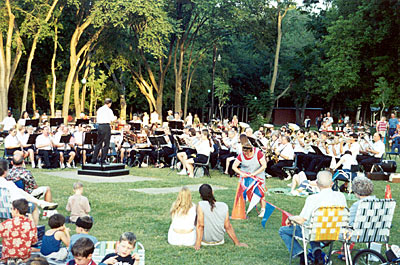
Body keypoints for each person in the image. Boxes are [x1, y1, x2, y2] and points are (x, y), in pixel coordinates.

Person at [278, 171, 347, 265]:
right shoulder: (341, 196)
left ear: (317, 183)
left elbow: (302, 220)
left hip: (315, 232)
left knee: (284, 230)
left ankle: (303, 256)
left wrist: (290, 218)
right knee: (314, 225)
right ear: (332, 183)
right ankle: (317, 254)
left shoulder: (313, 198)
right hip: (335, 232)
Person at [0, 161, 57, 225]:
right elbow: (21, 198)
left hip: (3, 209)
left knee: (20, 191)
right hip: (11, 210)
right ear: (5, 171)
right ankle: (34, 229)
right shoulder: (9, 184)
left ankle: (40, 203)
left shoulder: (7, 184)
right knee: (33, 205)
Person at [194, 184, 248, 250]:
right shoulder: (224, 206)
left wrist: (197, 244)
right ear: (212, 192)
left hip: (205, 241)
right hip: (219, 240)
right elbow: (228, 226)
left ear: (200, 195)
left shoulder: (201, 205)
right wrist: (237, 243)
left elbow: (200, 226)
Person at [232, 142, 267, 217]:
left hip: (258, 175)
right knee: (243, 192)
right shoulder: (241, 155)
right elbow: (234, 166)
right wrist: (241, 173)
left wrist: (254, 173)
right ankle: (242, 209)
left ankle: (263, 209)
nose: (246, 154)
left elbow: (264, 166)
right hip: (245, 175)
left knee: (260, 192)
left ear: (251, 150)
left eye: (247, 153)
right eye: (244, 152)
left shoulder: (258, 153)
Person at [91, 98, 117, 164]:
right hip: (106, 126)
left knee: (98, 143)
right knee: (106, 143)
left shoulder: (99, 109)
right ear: (109, 103)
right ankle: (102, 160)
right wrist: (115, 118)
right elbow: (112, 119)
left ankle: (94, 159)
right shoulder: (109, 110)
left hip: (100, 126)